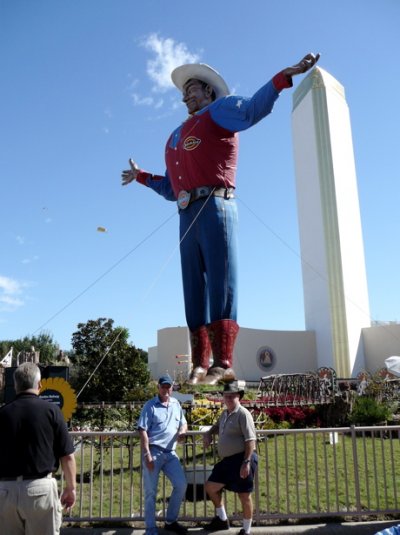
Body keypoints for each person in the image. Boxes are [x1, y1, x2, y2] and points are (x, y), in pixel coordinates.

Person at [122, 53, 320, 385]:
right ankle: (200, 363)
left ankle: (222, 361)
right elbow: (172, 188)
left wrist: (281, 78)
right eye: (184, 91)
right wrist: (142, 177)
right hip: (186, 213)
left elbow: (252, 109)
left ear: (210, 92)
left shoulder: (220, 111)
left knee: (221, 280)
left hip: (216, 205)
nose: (187, 95)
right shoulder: (174, 137)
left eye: (194, 88)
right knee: (193, 288)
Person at [0, 362, 76, 535]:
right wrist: (71, 488)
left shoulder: (2, 414)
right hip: (40, 490)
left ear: (16, 385)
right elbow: (67, 456)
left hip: (5, 491)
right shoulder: (52, 411)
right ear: (40, 385)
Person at [203, 381, 257, 535]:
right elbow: (217, 426)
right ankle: (222, 520)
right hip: (227, 462)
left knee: (244, 495)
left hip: (242, 459)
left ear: (238, 397)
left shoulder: (243, 414)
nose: (228, 399)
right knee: (210, 486)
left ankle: (246, 530)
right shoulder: (225, 413)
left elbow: (250, 440)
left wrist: (246, 462)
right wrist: (209, 433)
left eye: (232, 396)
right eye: (226, 396)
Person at [138, 374, 188, 535]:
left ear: (172, 388)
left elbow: (183, 422)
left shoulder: (176, 404)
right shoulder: (150, 406)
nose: (166, 389)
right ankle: (150, 528)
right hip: (154, 452)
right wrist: (147, 454)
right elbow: (143, 430)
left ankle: (170, 521)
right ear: (158, 388)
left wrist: (182, 431)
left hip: (171, 454)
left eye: (169, 386)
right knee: (151, 492)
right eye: (163, 386)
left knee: (181, 485)